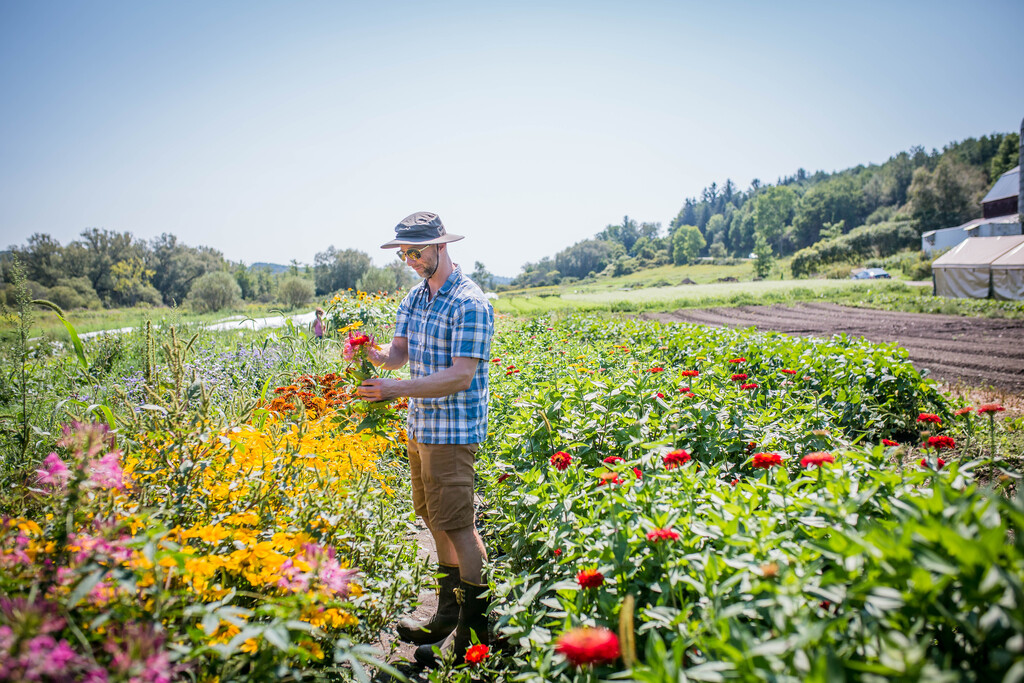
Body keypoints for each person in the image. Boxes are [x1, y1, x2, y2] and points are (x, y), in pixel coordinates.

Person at [355, 211, 494, 666]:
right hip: (421, 429)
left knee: (459, 526)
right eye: (404, 254)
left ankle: (474, 634)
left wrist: (395, 389)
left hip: (452, 431)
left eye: (416, 252)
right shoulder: (416, 298)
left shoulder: (470, 303)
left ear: (441, 245)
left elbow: (460, 375)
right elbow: (399, 353)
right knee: (434, 519)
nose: (410, 261)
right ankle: (446, 617)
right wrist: (373, 354)